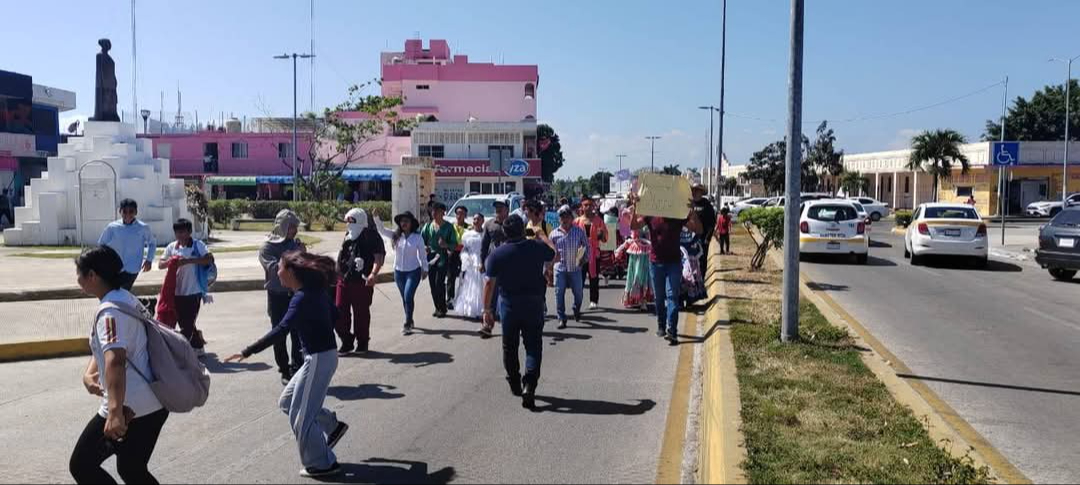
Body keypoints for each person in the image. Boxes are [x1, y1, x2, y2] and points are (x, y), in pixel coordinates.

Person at [226, 252, 349, 478]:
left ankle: (322, 463)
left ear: (291, 271)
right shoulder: (314, 292)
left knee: (300, 416)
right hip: (320, 356)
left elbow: (282, 330)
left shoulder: (302, 297)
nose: (277, 273)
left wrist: (247, 351)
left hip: (319, 358)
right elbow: (335, 314)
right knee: (287, 402)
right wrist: (319, 328)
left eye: (279, 268)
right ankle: (332, 426)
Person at [70, 246, 168, 485]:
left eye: (79, 273)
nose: (77, 279)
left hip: (130, 408)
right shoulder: (125, 299)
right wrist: (90, 372)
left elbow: (116, 359)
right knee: (132, 469)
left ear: (92, 276)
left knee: (82, 464)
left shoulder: (109, 313)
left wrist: (114, 413)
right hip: (154, 403)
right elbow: (111, 349)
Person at [482, 215, 556, 409]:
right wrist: (541, 235)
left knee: (509, 345)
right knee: (533, 345)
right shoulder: (536, 247)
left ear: (505, 233)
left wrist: (486, 309)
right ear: (523, 230)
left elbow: (489, 283)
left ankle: (514, 381)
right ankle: (529, 384)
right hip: (533, 303)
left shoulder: (497, 254)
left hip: (509, 306)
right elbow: (553, 254)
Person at [628, 193, 703, 345]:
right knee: (659, 298)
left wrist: (693, 212)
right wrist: (636, 207)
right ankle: (661, 325)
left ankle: (672, 331)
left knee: (672, 297)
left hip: (674, 264)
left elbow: (698, 230)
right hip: (655, 264)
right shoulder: (650, 216)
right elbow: (633, 226)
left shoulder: (677, 216)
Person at [259, 209, 308, 385]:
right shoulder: (267, 247)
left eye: (295, 227)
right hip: (277, 295)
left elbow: (304, 266)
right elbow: (274, 269)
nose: (294, 230)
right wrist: (295, 258)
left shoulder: (295, 244)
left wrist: (303, 254)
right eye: (291, 227)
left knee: (297, 332)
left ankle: (297, 368)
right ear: (281, 227)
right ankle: (284, 369)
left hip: (294, 294)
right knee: (279, 333)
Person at [158, 218, 214, 357]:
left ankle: (181, 354)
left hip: (193, 292)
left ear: (189, 232)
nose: (180, 235)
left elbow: (208, 259)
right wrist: (172, 262)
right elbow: (160, 264)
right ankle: (198, 345)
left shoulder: (198, 245)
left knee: (187, 325)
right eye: (177, 232)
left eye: (183, 232)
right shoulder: (172, 247)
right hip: (175, 292)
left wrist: (188, 261)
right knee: (183, 321)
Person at [335, 208, 385, 355]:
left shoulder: (371, 236)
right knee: (338, 311)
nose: (349, 225)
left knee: (361, 313)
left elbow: (379, 257)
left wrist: (373, 274)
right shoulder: (348, 235)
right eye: (348, 222)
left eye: (353, 221)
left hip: (362, 282)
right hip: (344, 279)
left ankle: (362, 342)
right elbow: (342, 255)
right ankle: (346, 340)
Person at [374, 211, 429, 335]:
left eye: (406, 221)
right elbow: (381, 230)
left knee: (408, 296)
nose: (404, 223)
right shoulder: (396, 235)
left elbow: (422, 254)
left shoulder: (417, 237)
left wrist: (425, 269)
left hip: (413, 272)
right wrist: (376, 217)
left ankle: (407, 322)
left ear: (411, 224)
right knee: (404, 298)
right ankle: (409, 318)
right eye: (402, 221)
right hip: (399, 272)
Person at [98, 199, 157, 291]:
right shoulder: (112, 227)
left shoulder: (143, 227)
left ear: (136, 212)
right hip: (115, 267)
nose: (128, 214)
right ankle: (144, 302)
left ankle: (138, 303)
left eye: (131, 211)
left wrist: (149, 260)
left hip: (132, 267)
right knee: (117, 293)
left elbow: (152, 244)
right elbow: (101, 244)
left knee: (120, 292)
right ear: (120, 211)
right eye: (124, 211)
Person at [549, 206, 588, 329]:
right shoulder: (553, 234)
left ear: (572, 218)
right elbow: (549, 253)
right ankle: (561, 318)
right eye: (562, 217)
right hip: (559, 269)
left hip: (575, 268)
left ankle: (576, 308)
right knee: (558, 292)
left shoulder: (579, 231)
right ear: (559, 219)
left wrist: (583, 260)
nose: (564, 219)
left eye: (567, 216)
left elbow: (587, 247)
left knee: (579, 294)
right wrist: (549, 268)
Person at [421, 202, 457, 319]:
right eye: (433, 211)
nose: (434, 213)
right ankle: (437, 307)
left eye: (437, 211)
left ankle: (442, 307)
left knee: (439, 283)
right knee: (432, 284)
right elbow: (421, 241)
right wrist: (424, 247)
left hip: (442, 258)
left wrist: (445, 244)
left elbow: (454, 244)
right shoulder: (427, 226)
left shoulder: (449, 227)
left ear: (443, 213)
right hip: (430, 258)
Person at [574, 196, 608, 310]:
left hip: (594, 252)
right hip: (581, 251)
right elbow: (572, 237)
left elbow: (604, 238)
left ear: (593, 206)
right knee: (579, 278)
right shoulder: (577, 221)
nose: (588, 207)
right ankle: (578, 300)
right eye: (585, 205)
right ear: (582, 207)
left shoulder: (598, 221)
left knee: (594, 277)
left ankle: (594, 300)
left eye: (590, 205)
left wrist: (601, 234)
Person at [453, 213, 487, 320]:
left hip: (482, 261)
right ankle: (470, 309)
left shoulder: (486, 234)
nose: (476, 221)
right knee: (470, 285)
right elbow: (464, 249)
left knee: (482, 285)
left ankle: (483, 309)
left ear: (483, 221)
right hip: (471, 263)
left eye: (478, 219)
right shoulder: (467, 234)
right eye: (474, 219)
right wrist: (465, 258)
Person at [480, 200, 510, 317]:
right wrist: (482, 262)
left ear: (506, 209)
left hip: (509, 262)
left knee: (507, 292)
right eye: (496, 207)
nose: (497, 209)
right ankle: (488, 320)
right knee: (491, 292)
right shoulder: (489, 224)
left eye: (500, 207)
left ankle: (508, 318)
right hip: (493, 262)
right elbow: (484, 245)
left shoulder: (512, 223)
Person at [615, 229, 653, 310]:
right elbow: (630, 234)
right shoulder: (633, 219)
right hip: (635, 251)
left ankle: (643, 300)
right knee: (632, 275)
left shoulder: (648, 219)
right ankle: (632, 298)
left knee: (643, 276)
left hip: (645, 252)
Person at [447, 206, 470, 311]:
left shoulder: (469, 227)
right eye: (458, 213)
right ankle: (450, 299)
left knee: (464, 277)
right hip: (453, 253)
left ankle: (463, 298)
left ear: (465, 215)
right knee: (451, 277)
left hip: (464, 254)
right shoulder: (451, 227)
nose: (459, 216)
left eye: (462, 213)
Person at [691, 183, 716, 280]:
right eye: (694, 190)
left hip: (702, 238)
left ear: (701, 192)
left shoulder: (706, 205)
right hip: (690, 238)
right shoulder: (689, 203)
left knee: (701, 259)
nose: (695, 192)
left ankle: (701, 278)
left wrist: (708, 237)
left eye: (697, 190)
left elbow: (712, 222)